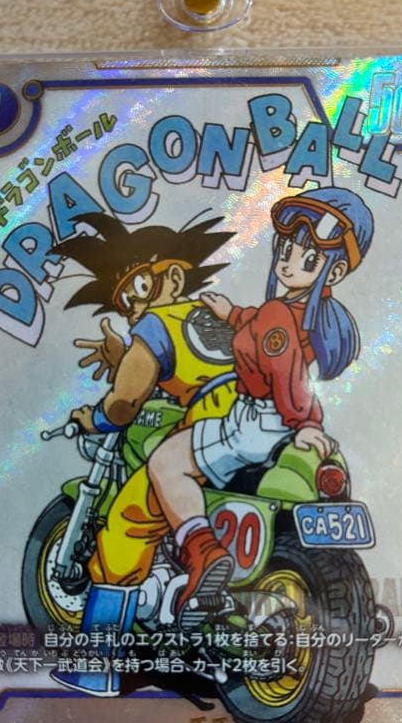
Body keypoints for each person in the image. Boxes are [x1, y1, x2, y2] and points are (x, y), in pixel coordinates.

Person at [146, 186, 374, 615]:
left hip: (256, 425)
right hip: (280, 426)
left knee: (164, 463)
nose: (288, 262)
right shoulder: (313, 314)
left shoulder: (277, 315)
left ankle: (202, 552)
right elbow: (272, 334)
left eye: (308, 258)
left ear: (335, 271)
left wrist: (304, 421)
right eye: (286, 250)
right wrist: (232, 315)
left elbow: (287, 371)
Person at [52, 212, 238, 588]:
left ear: (174, 279)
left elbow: (124, 404)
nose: (133, 304)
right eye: (125, 301)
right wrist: (125, 360)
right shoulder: (214, 314)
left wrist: (94, 419)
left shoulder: (155, 323)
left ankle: (110, 615)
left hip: (212, 415)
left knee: (129, 521)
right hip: (261, 412)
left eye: (139, 285)